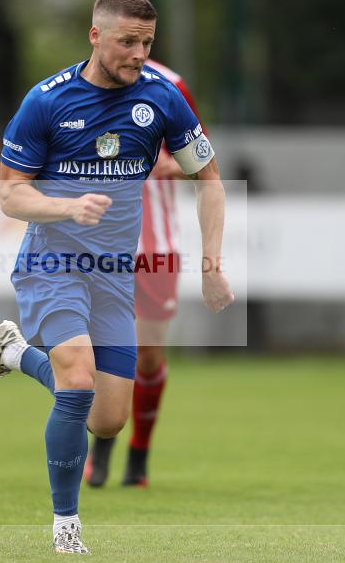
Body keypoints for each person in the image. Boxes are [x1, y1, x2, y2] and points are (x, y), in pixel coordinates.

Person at [0, 0, 233, 554]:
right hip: (51, 263)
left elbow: (208, 180)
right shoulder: (46, 100)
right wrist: (66, 206)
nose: (138, 54)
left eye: (147, 43)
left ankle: (14, 354)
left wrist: (211, 263)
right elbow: (11, 198)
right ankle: (66, 527)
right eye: (127, 42)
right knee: (78, 379)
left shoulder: (162, 99)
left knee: (108, 420)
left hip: (116, 273)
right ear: (95, 36)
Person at [84, 59, 200, 488]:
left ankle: (140, 455)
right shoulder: (75, 85)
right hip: (99, 243)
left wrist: (162, 163)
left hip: (156, 245)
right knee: (101, 350)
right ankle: (99, 450)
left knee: (147, 355)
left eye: (140, 39)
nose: (132, 49)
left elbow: (200, 162)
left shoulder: (171, 85)